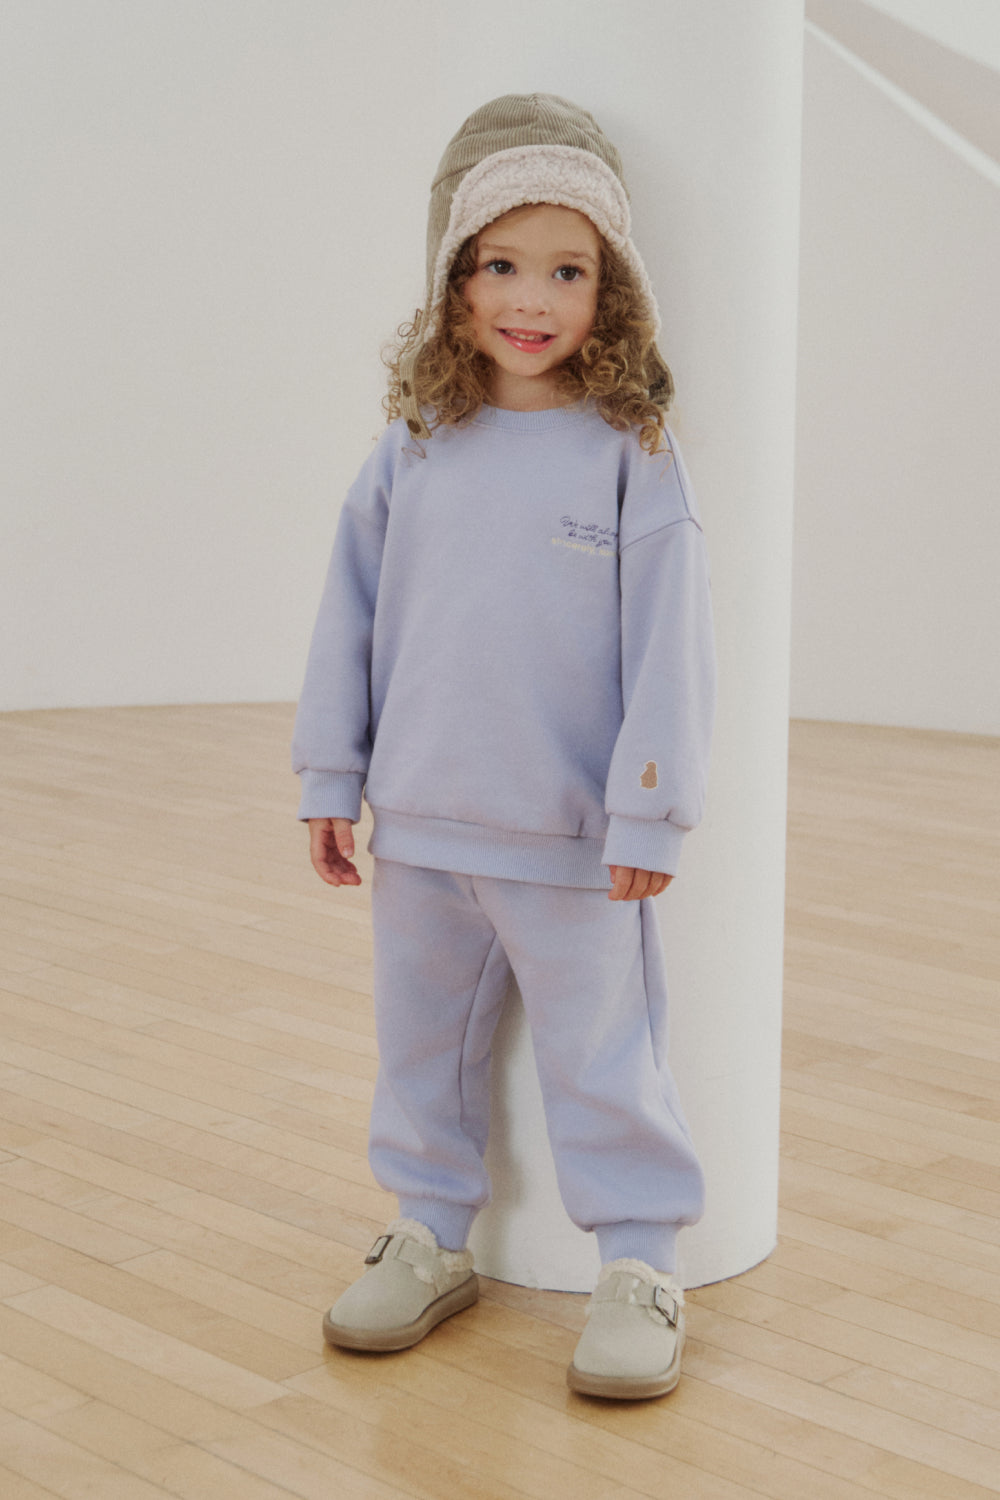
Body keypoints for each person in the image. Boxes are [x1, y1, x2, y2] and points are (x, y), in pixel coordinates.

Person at [292, 93, 715, 1401]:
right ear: (454, 280)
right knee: (419, 1048)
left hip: (574, 842)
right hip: (418, 827)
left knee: (604, 1056)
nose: (531, 299)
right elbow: (348, 618)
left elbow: (671, 647)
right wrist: (330, 776)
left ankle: (640, 1260)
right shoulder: (413, 448)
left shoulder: (632, 456)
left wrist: (650, 813)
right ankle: (428, 1231)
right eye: (500, 265)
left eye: (568, 271)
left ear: (612, 290)